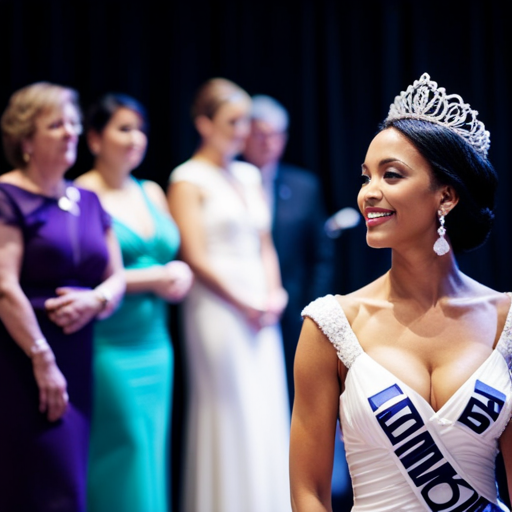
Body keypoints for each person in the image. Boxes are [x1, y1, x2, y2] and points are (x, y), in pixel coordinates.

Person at [290, 73, 512, 511]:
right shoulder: (331, 326)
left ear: (446, 197)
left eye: (391, 175)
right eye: (365, 177)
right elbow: (309, 492)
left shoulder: (506, 321)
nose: (369, 194)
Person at [167, 78, 291, 512]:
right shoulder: (187, 178)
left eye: (245, 122)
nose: (243, 131)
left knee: (266, 403)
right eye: (233, 122)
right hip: (218, 307)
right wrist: (245, 302)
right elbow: (195, 256)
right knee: (230, 407)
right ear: (204, 124)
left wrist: (274, 295)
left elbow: (265, 243)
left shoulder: (247, 174)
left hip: (261, 308)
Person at [0, 82, 125, 512]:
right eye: (56, 125)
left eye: (73, 122)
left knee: (68, 484)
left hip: (79, 357)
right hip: (23, 359)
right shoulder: (7, 195)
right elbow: (3, 286)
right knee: (37, 484)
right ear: (25, 139)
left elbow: (117, 279)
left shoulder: (89, 199)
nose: (70, 132)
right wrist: (41, 356)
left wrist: (97, 301)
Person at [75, 93, 193, 512]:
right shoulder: (80, 195)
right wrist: (158, 277)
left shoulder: (152, 191)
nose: (135, 138)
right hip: (110, 344)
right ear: (94, 139)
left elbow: (171, 256)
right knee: (124, 447)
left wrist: (179, 272)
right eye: (123, 128)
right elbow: (83, 278)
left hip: (156, 342)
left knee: (152, 449)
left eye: (139, 129)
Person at [242, 94, 335, 407]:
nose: (268, 143)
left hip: (293, 309)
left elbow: (321, 256)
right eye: (260, 134)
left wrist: (310, 308)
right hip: (239, 306)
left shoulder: (304, 186)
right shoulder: (226, 181)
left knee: (295, 396)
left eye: (275, 135)